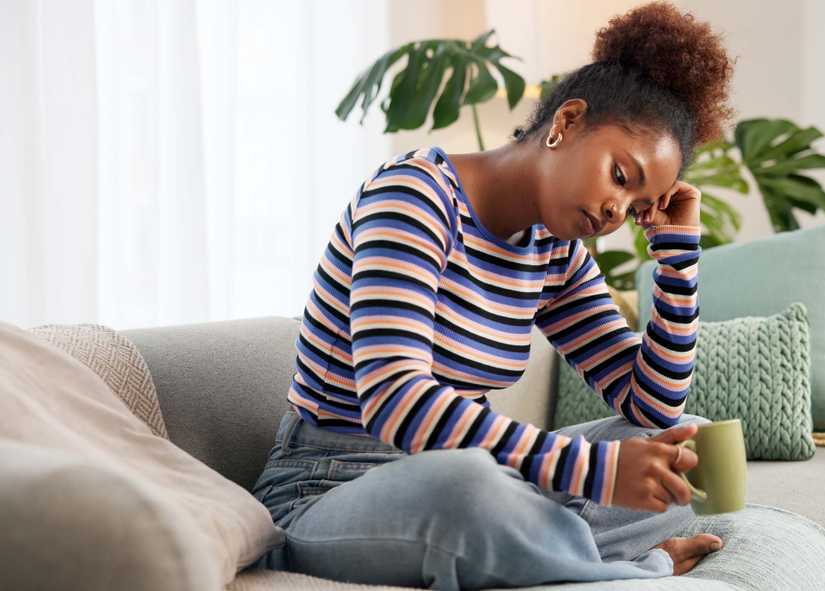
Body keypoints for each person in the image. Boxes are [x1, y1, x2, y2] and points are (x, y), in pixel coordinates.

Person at [249, 1, 736, 588]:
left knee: (683, 451)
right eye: (619, 176)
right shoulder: (414, 196)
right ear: (567, 122)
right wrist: (594, 470)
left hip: (478, 484)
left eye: (635, 207)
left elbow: (652, 407)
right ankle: (623, 569)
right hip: (333, 489)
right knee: (470, 488)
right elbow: (395, 400)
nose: (616, 212)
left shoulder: (553, 251)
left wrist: (678, 259)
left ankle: (541, 555)